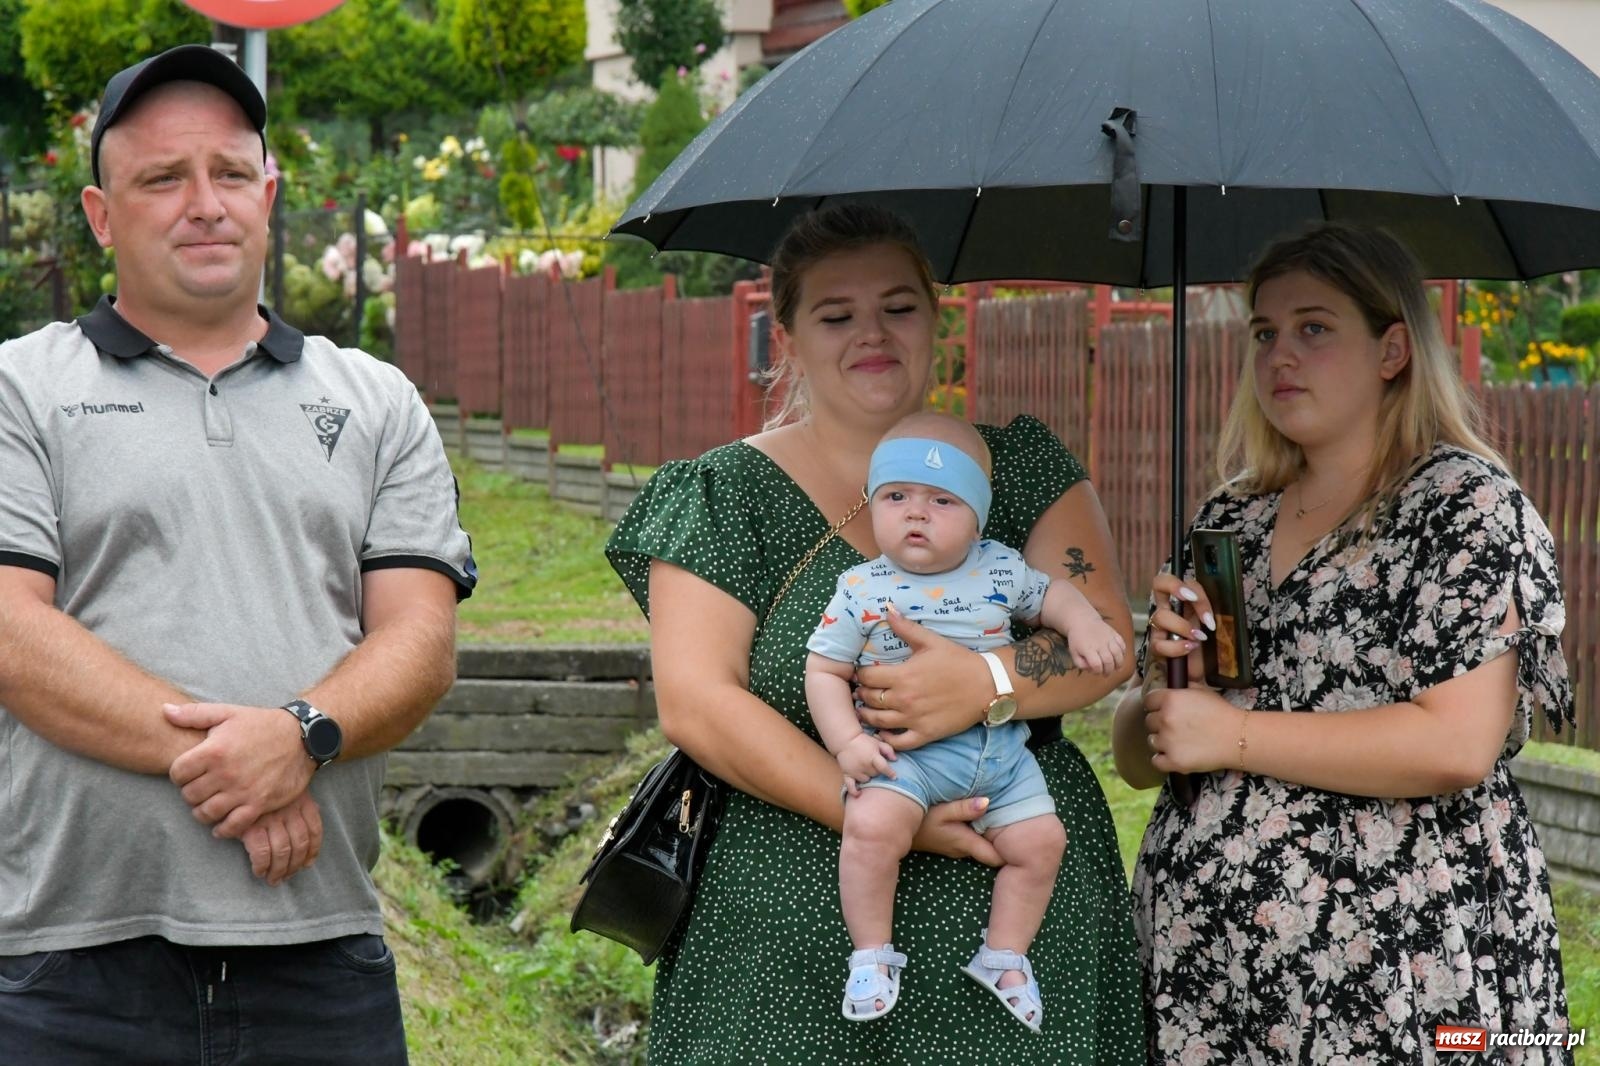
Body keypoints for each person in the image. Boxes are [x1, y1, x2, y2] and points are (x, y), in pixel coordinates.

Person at [0, 46, 475, 1064]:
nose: (203, 204)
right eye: (162, 179)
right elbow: (11, 632)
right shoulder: (21, 390)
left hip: (321, 959)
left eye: (227, 173)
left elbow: (421, 642)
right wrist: (239, 765)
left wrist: (299, 736)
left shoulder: (377, 402)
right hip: (70, 966)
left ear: (269, 192)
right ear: (99, 214)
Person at [607, 202, 1145, 1062]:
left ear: (936, 317)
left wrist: (987, 682)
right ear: (784, 334)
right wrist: (875, 812)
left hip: (1016, 904)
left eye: (898, 307)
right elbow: (698, 704)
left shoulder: (1023, 469)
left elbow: (1105, 636)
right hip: (787, 939)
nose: (873, 334)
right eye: (836, 314)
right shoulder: (722, 495)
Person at [1112, 222, 1574, 1064]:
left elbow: (1456, 743)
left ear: (1392, 348)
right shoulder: (1233, 518)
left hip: (1398, 959)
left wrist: (1233, 735)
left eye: (1313, 329)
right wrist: (1164, 685)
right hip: (1213, 973)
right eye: (1264, 333)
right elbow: (1147, 761)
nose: (1280, 355)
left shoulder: (1461, 508)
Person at [806, 410, 1125, 1028]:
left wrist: (1083, 621)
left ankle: (1004, 956)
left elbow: (1053, 595)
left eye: (942, 500)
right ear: (873, 504)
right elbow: (823, 671)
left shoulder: (1000, 567)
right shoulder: (861, 588)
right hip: (906, 757)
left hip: (1000, 755)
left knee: (1041, 842)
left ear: (978, 515)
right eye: (896, 496)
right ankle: (871, 954)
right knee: (871, 827)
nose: (916, 513)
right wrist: (846, 743)